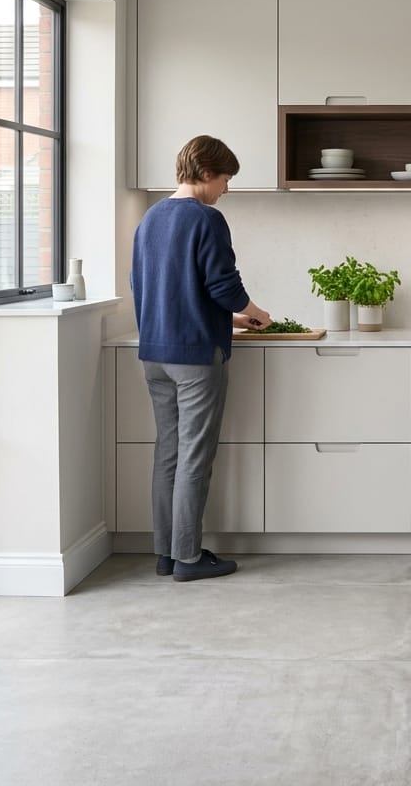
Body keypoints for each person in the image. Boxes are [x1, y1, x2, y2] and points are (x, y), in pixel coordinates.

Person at [130, 135, 270, 582]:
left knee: (167, 454)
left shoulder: (150, 218)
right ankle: (189, 559)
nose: (226, 188)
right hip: (195, 360)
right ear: (207, 173)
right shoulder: (207, 218)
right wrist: (255, 312)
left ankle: (167, 554)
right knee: (194, 456)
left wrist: (227, 324)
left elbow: (154, 290)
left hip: (155, 352)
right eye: (226, 178)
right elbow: (222, 286)